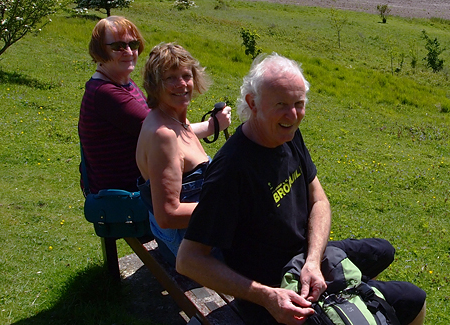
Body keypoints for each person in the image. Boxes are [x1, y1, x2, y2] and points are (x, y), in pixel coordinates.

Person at [176, 53, 427, 325]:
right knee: (409, 299)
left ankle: (354, 297)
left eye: (299, 104)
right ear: (253, 103)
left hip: (305, 259)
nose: (293, 115)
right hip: (274, 289)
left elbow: (319, 200)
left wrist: (312, 261)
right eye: (281, 104)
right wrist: (268, 296)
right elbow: (188, 260)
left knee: (387, 255)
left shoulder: (287, 135)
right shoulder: (230, 169)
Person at [136, 43, 231, 260]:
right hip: (190, 247)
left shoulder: (174, 119)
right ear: (154, 84)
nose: (182, 84)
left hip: (194, 234)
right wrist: (228, 211)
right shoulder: (164, 136)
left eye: (186, 75)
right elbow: (167, 216)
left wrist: (212, 125)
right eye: (170, 78)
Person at [77, 16, 149, 195]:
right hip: (127, 200)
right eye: (118, 46)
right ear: (101, 51)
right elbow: (158, 130)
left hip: (139, 190)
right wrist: (212, 126)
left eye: (133, 44)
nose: (129, 51)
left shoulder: (125, 83)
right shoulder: (105, 92)